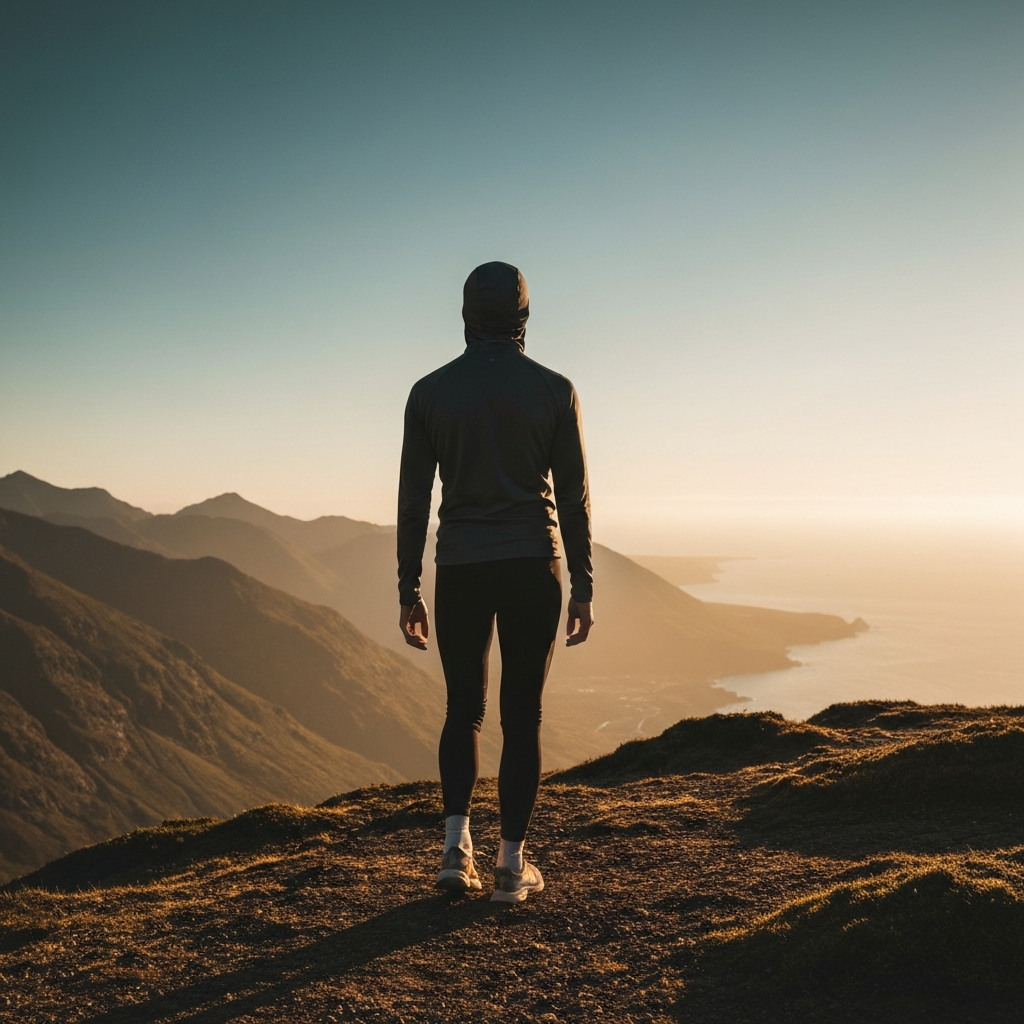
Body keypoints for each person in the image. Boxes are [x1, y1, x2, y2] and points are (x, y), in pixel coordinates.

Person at [397, 261, 594, 903]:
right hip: (534, 564)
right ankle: (510, 866)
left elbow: (412, 500)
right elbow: (574, 497)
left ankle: (457, 853)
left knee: (463, 710)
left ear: (463, 316)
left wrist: (409, 588)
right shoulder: (555, 390)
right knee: (523, 715)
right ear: (524, 316)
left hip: (459, 567)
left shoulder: (428, 394)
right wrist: (584, 585)